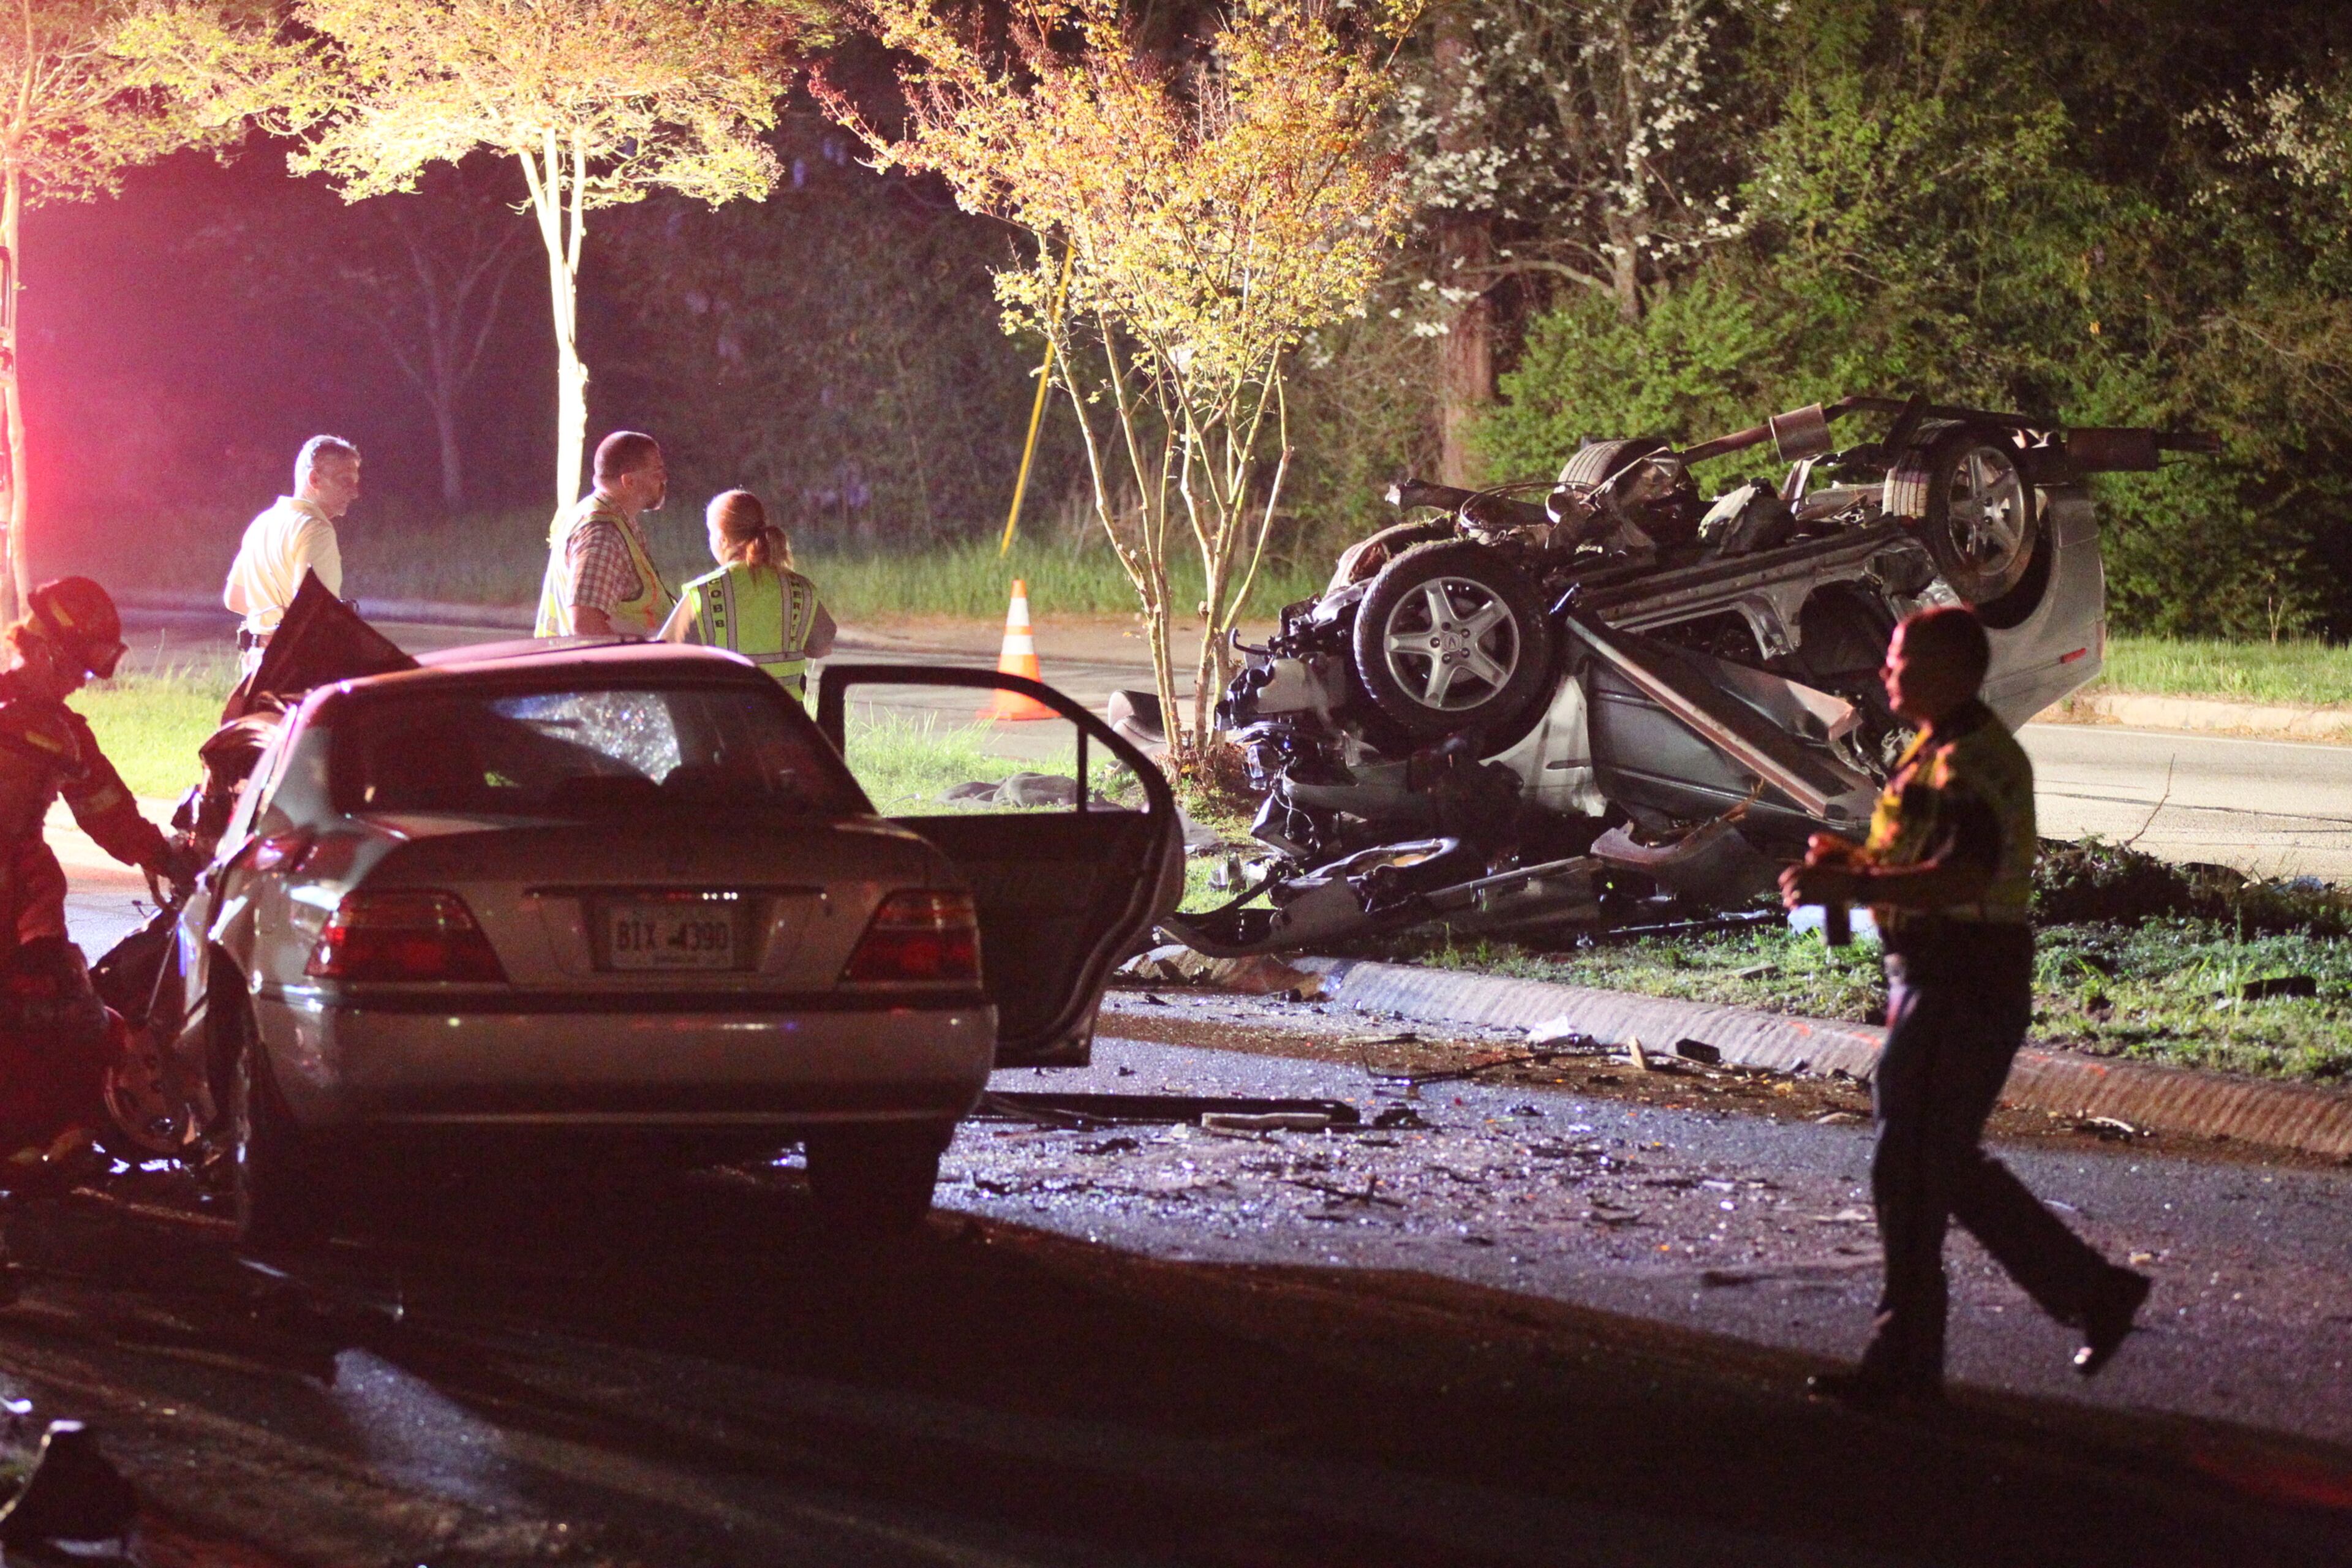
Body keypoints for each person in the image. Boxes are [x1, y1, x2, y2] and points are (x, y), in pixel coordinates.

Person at [1780, 605, 2149, 1409]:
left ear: (1951, 670)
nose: (1887, 670)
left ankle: (1908, 1358)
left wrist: (1856, 885)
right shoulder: (1946, 747)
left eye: (1903, 659)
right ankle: (2087, 1293)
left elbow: (1966, 875)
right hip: (1947, 976)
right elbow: (1935, 862)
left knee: (1909, 1165)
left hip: (1960, 980)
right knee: (1933, 1162)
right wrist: (1856, 866)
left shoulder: (1968, 761)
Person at [0, 579, 199, 1180]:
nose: (83, 679)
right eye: (80, 664)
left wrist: (168, 856)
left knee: (52, 1008)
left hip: (24, 894)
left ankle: (46, 1138)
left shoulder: (66, 734)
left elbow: (107, 811)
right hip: (20, 889)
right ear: (50, 650)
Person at [660, 490, 835, 696]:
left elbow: (666, 656)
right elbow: (822, 645)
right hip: (787, 719)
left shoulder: (704, 594)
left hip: (727, 718)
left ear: (722, 538)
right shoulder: (800, 590)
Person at [224, 435, 361, 674]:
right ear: (314, 479)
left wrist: (272, 623)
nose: (354, 493)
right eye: (345, 481)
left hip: (255, 664)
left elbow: (234, 598)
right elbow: (314, 612)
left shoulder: (263, 522)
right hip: (297, 669)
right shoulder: (316, 530)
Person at [535, 431, 676, 638]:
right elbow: (586, 625)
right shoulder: (603, 534)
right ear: (629, 481)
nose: (664, 478)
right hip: (600, 669)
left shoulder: (603, 518)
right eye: (657, 471)